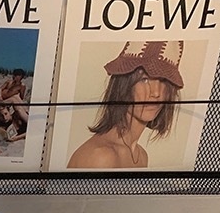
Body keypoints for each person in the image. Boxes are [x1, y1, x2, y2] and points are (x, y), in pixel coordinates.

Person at [67, 40, 183, 169]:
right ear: (123, 86)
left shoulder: (141, 156)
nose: (156, 92)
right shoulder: (102, 157)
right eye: (144, 80)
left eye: (163, 81)